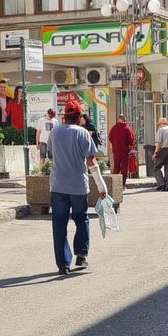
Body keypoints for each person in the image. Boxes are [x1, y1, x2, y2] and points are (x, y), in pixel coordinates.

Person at [49, 100, 107, 275]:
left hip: (58, 186)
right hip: (78, 187)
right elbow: (91, 162)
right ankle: (81, 255)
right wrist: (101, 187)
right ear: (80, 116)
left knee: (59, 225)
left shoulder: (54, 132)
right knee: (81, 219)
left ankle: (63, 264)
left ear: (64, 116)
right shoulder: (82, 133)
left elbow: (51, 156)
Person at [108, 114, 136, 187]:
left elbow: (110, 138)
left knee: (116, 167)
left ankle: (115, 184)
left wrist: (115, 143)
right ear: (125, 119)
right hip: (124, 151)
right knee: (124, 168)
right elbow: (131, 140)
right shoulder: (127, 128)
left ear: (119, 119)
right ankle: (122, 184)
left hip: (116, 150)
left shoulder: (113, 128)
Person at [153, 117, 168, 191]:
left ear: (160, 124)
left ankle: (161, 183)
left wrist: (155, 153)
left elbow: (159, 143)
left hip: (162, 151)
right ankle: (166, 187)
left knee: (156, 168)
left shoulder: (161, 130)